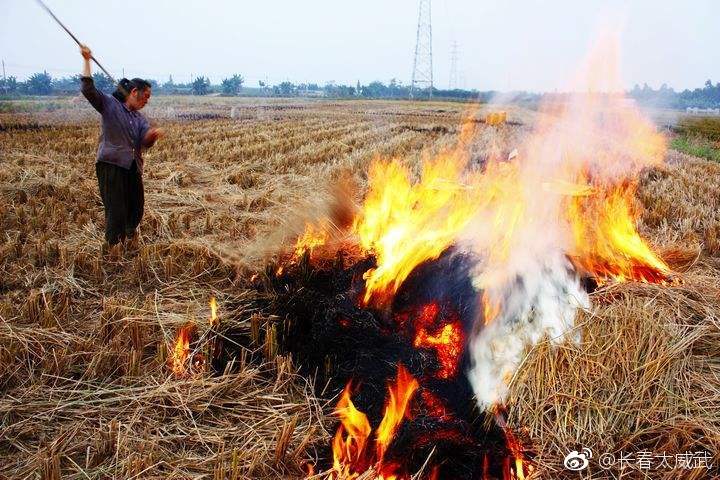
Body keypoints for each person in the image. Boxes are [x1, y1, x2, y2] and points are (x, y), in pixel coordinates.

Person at [79, 44, 163, 250]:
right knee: (116, 210)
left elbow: (145, 142)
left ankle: (129, 238)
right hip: (111, 165)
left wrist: (151, 136)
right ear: (134, 92)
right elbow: (88, 90)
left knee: (136, 208)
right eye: (146, 96)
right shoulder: (109, 105)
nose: (147, 101)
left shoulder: (139, 118)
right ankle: (112, 249)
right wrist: (87, 60)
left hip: (133, 167)